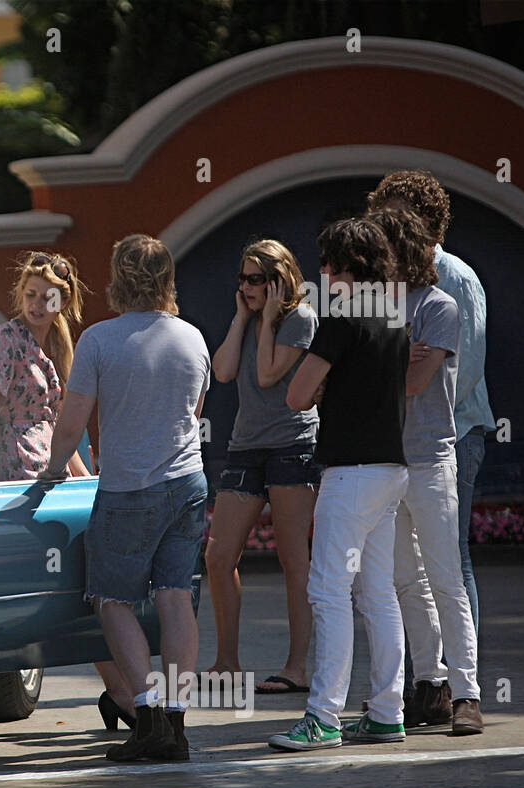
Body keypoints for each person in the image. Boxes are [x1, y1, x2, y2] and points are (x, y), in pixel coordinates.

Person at [42, 234, 210, 762]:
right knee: (175, 596)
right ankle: (177, 723)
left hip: (128, 490)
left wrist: (50, 472)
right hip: (188, 485)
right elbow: (194, 408)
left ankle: (148, 715)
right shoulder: (193, 338)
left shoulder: (98, 340)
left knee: (111, 600)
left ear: (118, 278)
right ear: (167, 279)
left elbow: (71, 424)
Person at [0, 253, 123, 722]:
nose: (37, 305)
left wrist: (90, 482)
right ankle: (121, 691)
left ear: (64, 301)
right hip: (24, 469)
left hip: (57, 462)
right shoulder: (4, 339)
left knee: (87, 576)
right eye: (30, 295)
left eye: (48, 297)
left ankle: (121, 690)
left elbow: (59, 425)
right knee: (73, 582)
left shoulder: (61, 343)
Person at [268, 218, 409, 751]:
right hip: (390, 469)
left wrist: (322, 383)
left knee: (327, 591)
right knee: (378, 594)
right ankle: (386, 712)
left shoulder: (341, 315)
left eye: (327, 263)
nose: (321, 273)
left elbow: (295, 396)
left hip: (349, 473)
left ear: (347, 266)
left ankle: (324, 716)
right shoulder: (394, 312)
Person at [367, 170, 492, 727]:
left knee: (446, 569)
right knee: (404, 577)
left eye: (394, 224)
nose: (383, 235)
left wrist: (385, 372)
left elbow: (445, 374)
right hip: (386, 452)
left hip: (446, 441)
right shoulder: (373, 300)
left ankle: (468, 691)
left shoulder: (450, 286)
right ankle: (430, 683)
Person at [204, 239, 321, 696]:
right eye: (243, 278)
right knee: (218, 556)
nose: (246, 287)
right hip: (246, 448)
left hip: (293, 446)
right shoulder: (248, 318)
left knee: (294, 559)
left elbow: (270, 374)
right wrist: (241, 318)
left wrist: (270, 318)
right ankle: (227, 662)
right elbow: (224, 373)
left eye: (256, 279)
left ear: (279, 279)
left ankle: (296, 667)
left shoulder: (300, 319)